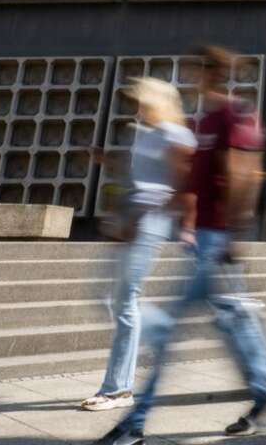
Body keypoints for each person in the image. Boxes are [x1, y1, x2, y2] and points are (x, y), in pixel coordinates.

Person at [98, 47, 266, 444]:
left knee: (171, 328)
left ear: (211, 72)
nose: (189, 76)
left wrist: (234, 233)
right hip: (204, 241)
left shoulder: (234, 114)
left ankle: (134, 424)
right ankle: (265, 387)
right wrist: (167, 214)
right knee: (234, 320)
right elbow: (186, 184)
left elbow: (245, 174)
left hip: (218, 241)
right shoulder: (201, 121)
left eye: (194, 69)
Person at [80, 77, 196, 412]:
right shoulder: (145, 135)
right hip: (131, 219)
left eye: (143, 102)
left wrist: (180, 224)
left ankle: (117, 389)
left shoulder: (176, 135)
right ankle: (162, 333)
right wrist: (108, 161)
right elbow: (141, 176)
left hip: (148, 223)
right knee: (106, 297)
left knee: (125, 301)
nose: (138, 108)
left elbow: (183, 183)